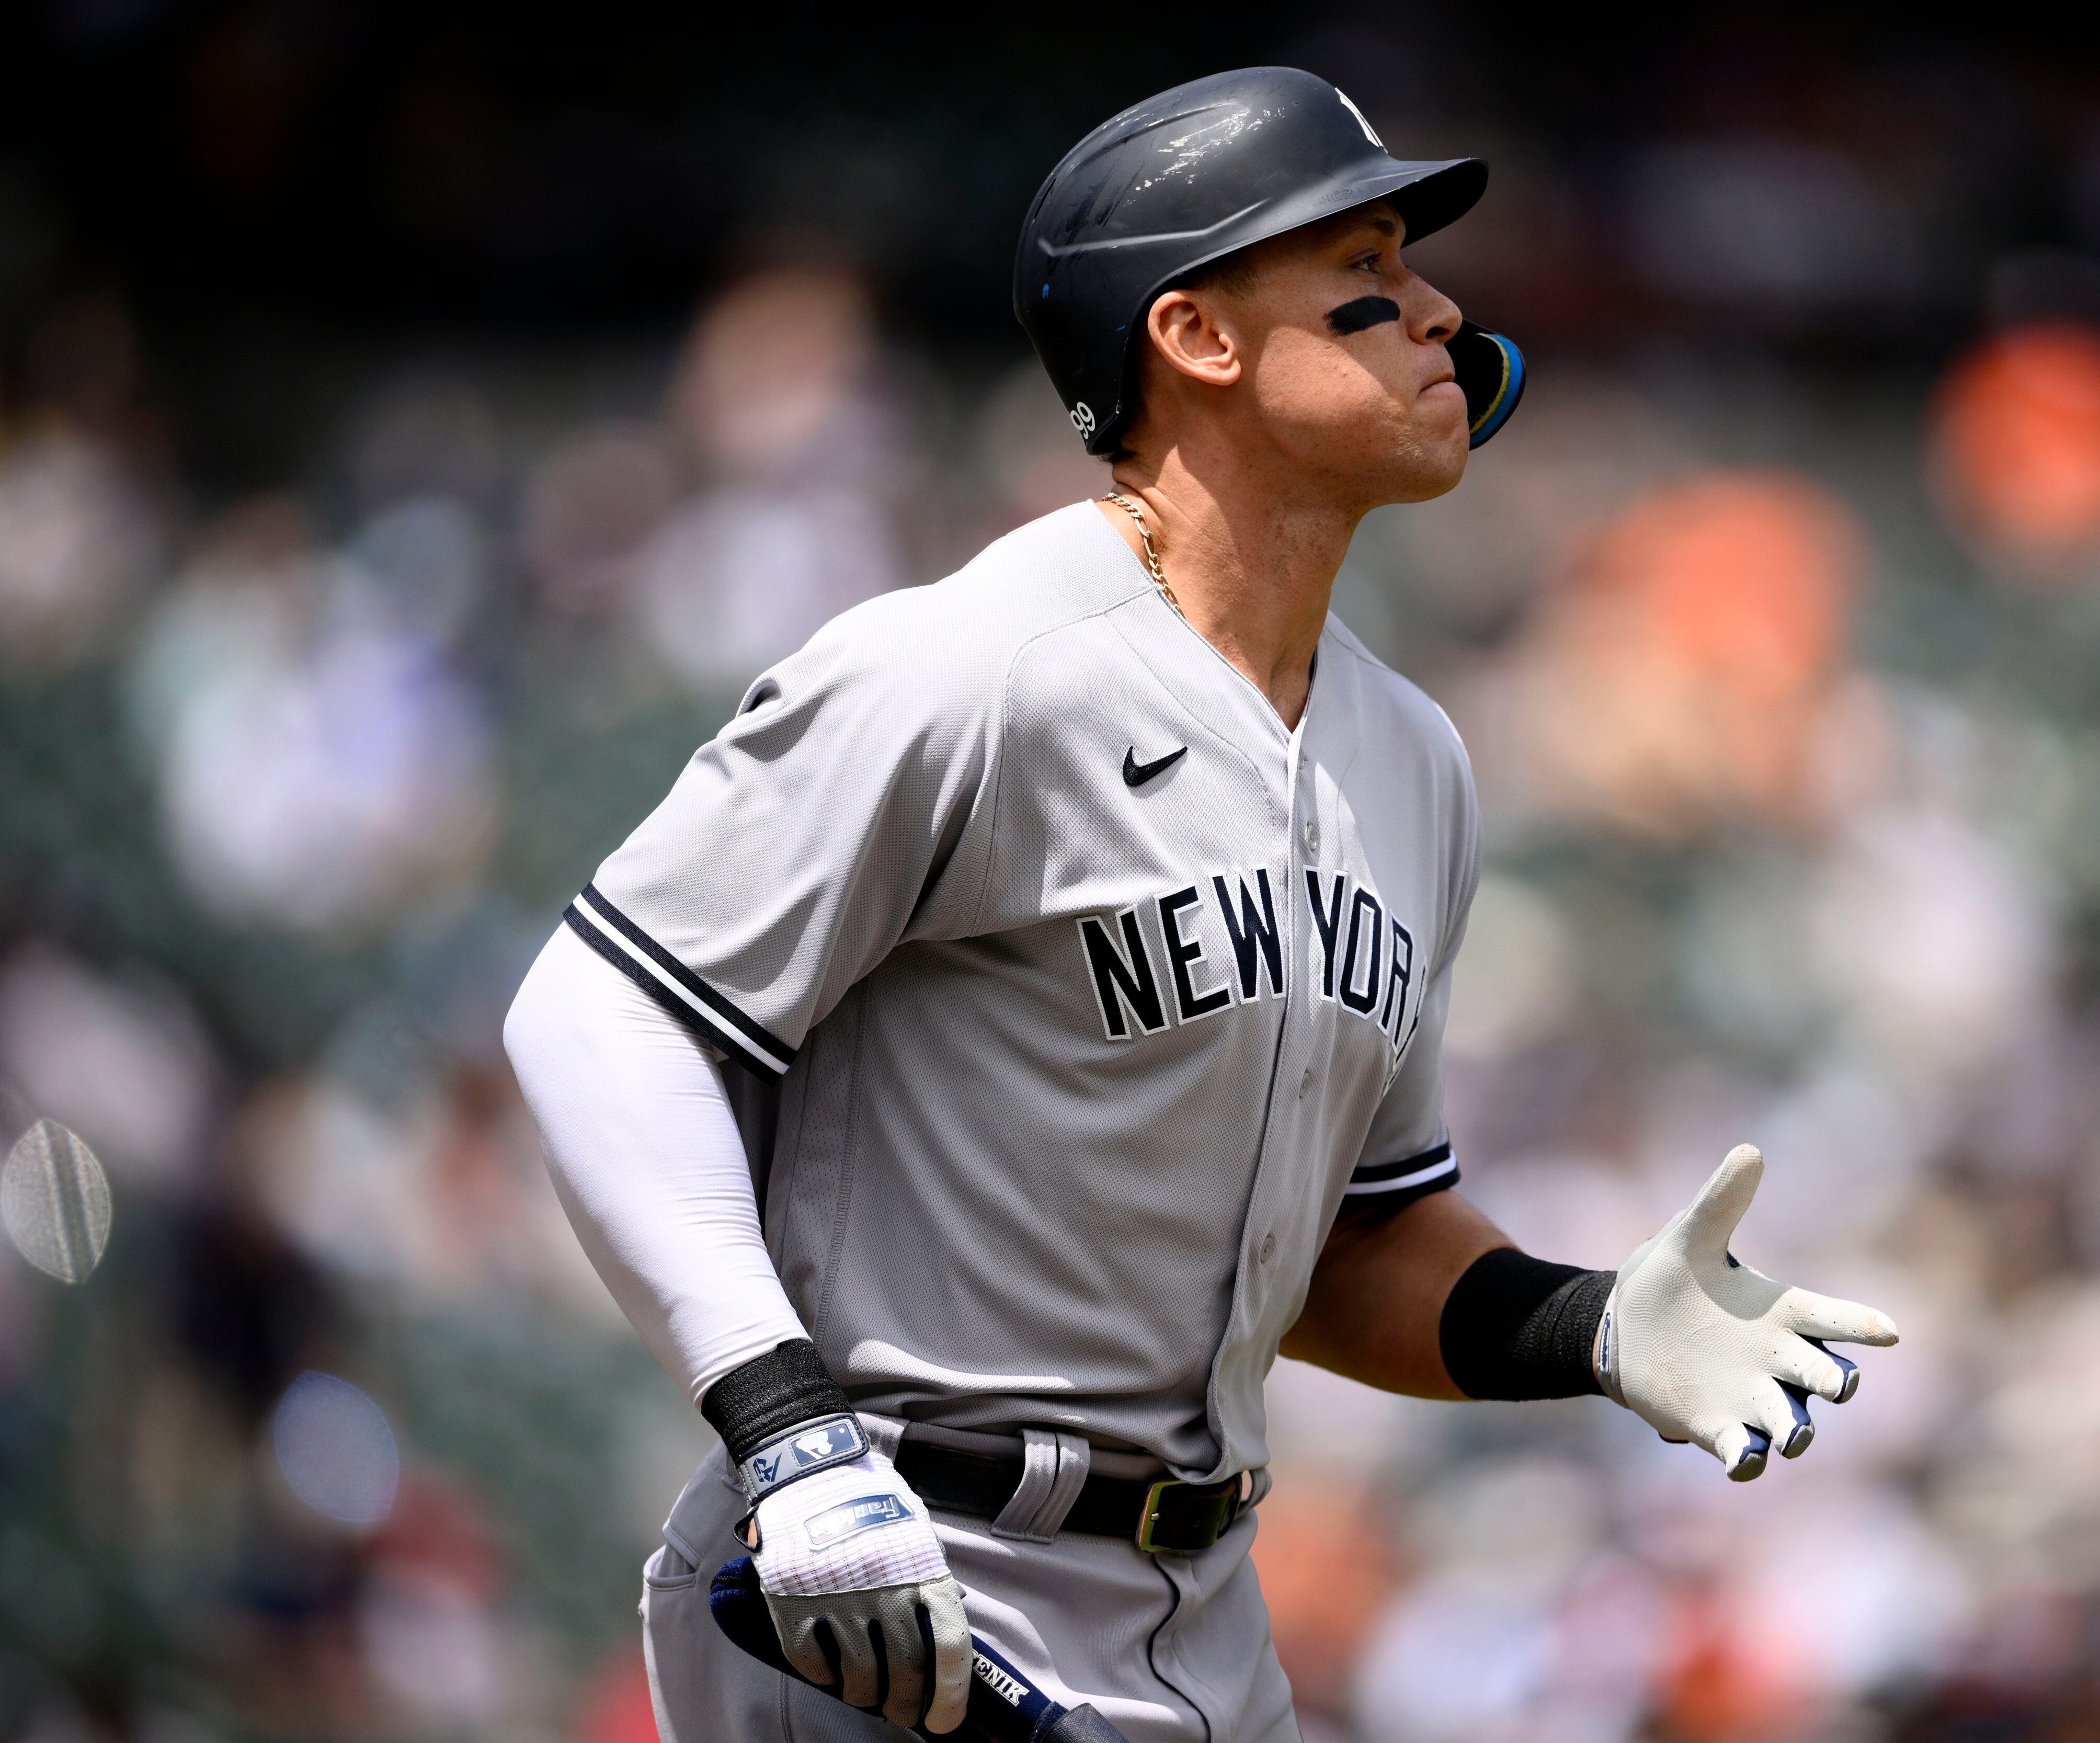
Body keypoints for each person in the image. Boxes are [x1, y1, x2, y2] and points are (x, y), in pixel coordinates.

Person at [503, 66, 1895, 1743]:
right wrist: (782, 1428)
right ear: (1198, 339)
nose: (1443, 311)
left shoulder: (1414, 755)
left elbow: (1348, 1245)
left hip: (1204, 1626)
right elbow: (599, 1013)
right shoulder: (974, 666)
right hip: (890, 1588)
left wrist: (1587, 1326)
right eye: (1368, 271)